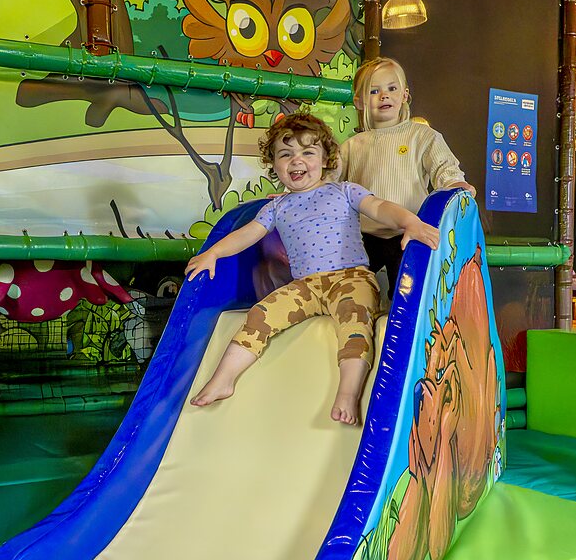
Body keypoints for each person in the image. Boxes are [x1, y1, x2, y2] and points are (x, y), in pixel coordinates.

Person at [186, 113, 439, 425]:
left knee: (355, 321)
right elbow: (247, 234)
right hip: (304, 285)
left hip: (350, 278)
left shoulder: (344, 191)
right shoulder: (276, 207)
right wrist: (214, 253)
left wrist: (410, 222)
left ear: (325, 159)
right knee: (261, 313)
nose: (297, 160)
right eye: (286, 154)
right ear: (274, 164)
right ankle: (223, 379)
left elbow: (379, 208)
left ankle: (348, 392)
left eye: (308, 152)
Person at [339, 57, 474, 298]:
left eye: (392, 88)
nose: (384, 96)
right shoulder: (352, 146)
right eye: (374, 91)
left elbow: (444, 168)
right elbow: (327, 183)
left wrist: (455, 184)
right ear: (359, 102)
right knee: (349, 289)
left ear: (404, 95)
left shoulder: (421, 135)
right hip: (363, 236)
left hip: (408, 231)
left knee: (406, 296)